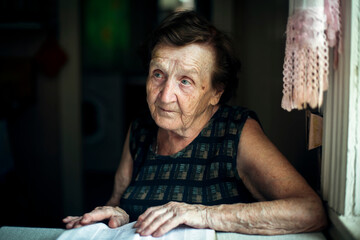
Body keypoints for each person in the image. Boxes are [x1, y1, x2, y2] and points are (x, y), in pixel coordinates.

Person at [63, 10, 327, 237]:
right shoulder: (140, 130)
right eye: (158, 74)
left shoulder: (235, 131)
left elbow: (309, 211)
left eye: (185, 81)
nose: (165, 96)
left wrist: (204, 214)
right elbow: (117, 203)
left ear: (216, 92)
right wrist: (116, 217)